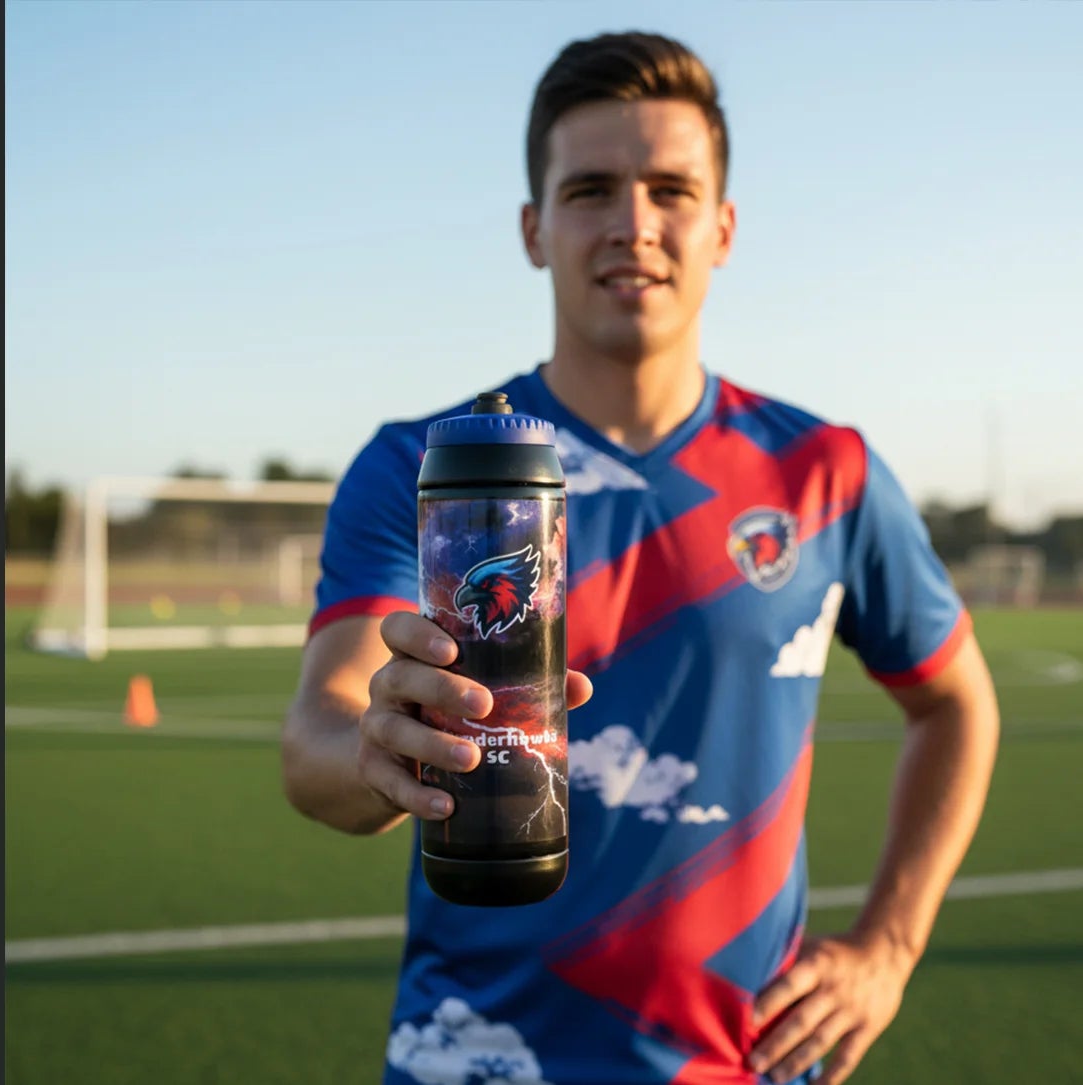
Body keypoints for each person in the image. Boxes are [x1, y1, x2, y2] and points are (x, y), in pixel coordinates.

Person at [279, 30, 1000, 1085]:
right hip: (471, 1060)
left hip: (740, 1063)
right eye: (590, 190)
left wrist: (887, 946)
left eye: (671, 189)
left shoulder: (824, 471)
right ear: (533, 229)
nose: (633, 224)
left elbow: (956, 703)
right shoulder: (431, 464)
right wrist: (376, 750)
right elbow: (315, 735)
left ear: (723, 226)